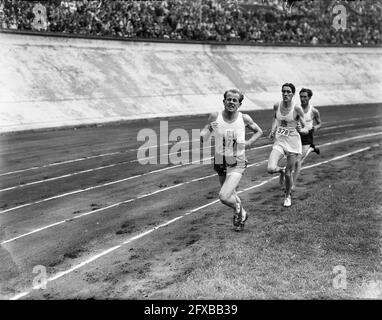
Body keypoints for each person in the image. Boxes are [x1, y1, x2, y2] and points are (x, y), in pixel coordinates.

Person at [200, 89, 263, 231]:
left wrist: (249, 142)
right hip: (219, 160)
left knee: (224, 196)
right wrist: (206, 132)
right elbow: (204, 135)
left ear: (239, 104)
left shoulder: (244, 118)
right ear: (224, 101)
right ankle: (242, 215)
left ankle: (238, 208)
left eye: (235, 100)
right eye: (229, 99)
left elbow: (259, 131)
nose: (231, 102)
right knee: (231, 193)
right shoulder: (215, 117)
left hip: (237, 161)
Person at [267, 83, 307, 207]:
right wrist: (273, 129)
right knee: (270, 169)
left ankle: (287, 195)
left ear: (293, 94)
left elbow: (304, 124)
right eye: (283, 91)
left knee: (290, 173)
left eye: (288, 92)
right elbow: (275, 118)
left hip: (293, 143)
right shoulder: (276, 105)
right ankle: (281, 171)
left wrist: (301, 127)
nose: (285, 94)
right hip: (280, 141)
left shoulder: (297, 109)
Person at [292, 88, 322, 188]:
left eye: (305, 96)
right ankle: (312, 148)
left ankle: (292, 185)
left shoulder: (314, 111)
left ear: (309, 97)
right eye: (301, 96)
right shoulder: (296, 109)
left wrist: (315, 128)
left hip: (307, 137)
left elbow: (320, 123)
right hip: (296, 136)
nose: (302, 98)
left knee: (297, 161)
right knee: (290, 159)